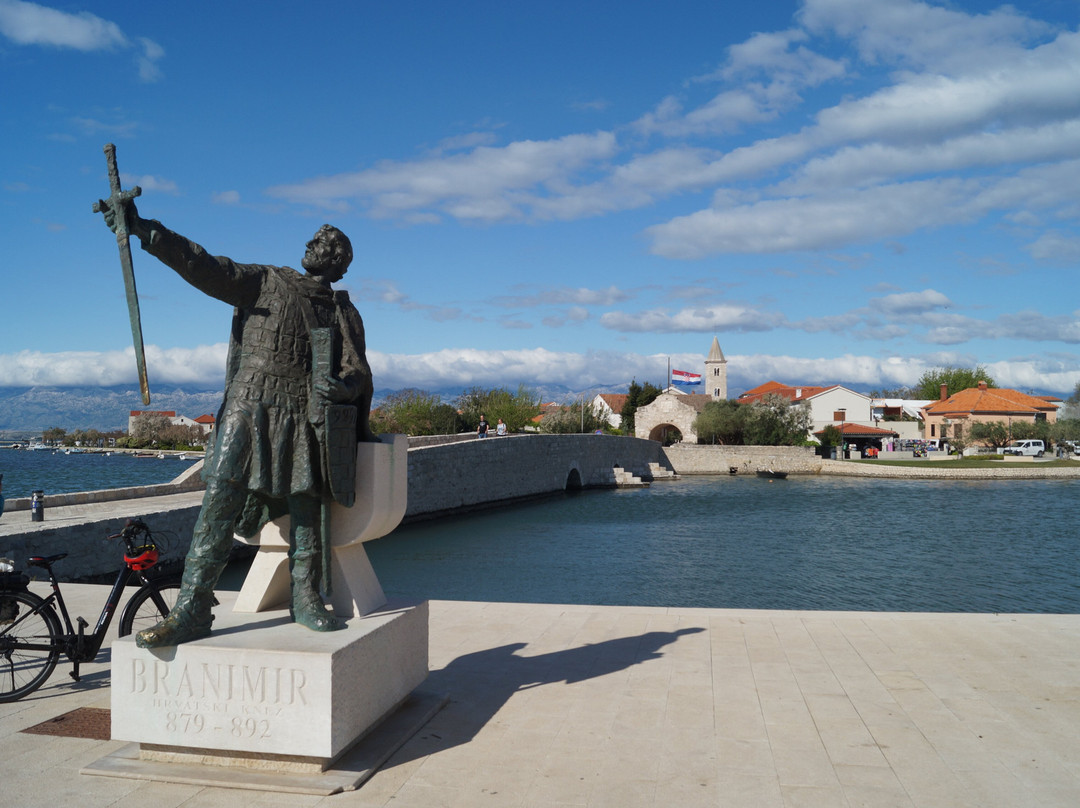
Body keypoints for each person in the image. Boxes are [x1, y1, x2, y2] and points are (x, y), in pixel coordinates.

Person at [99, 200, 374, 648]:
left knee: (306, 502)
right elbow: (206, 267)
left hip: (303, 410)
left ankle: (305, 595)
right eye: (314, 238)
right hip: (250, 403)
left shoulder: (342, 312)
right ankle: (192, 606)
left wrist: (341, 389)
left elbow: (357, 370)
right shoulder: (266, 280)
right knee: (219, 499)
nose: (312, 244)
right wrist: (146, 230)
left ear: (340, 262)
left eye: (325, 243)